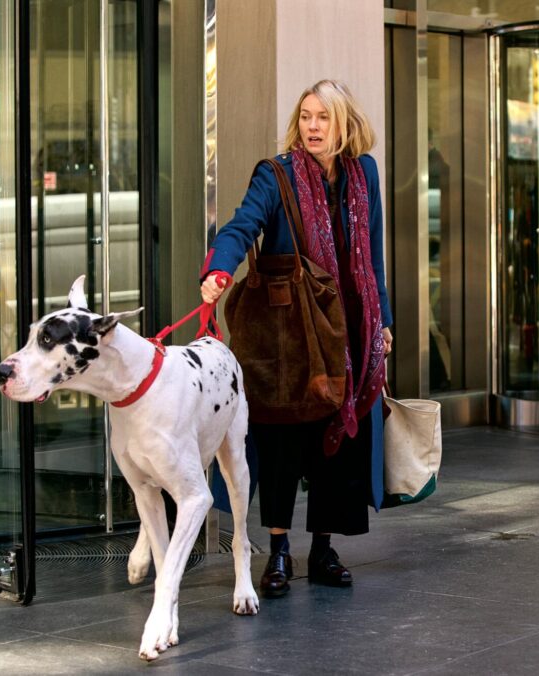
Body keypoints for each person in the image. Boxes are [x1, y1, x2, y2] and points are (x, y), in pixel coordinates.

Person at [199, 80, 393, 599]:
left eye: (323, 117)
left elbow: (371, 256)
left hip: (348, 329)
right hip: (291, 332)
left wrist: (385, 322)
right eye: (306, 116)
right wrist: (220, 267)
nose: (312, 126)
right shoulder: (277, 174)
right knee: (283, 439)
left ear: (343, 123)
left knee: (340, 441)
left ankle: (323, 548)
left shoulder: (363, 172)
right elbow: (242, 226)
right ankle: (279, 549)